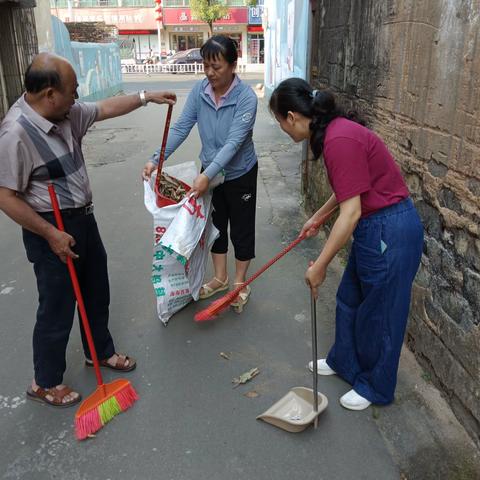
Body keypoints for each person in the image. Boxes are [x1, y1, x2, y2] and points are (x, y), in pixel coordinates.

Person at [0, 53, 176, 407]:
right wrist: (51, 235)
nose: (77, 98)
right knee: (58, 305)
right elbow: (6, 196)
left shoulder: (66, 113)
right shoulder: (15, 134)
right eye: (73, 91)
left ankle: (99, 352)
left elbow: (105, 108)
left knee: (96, 289)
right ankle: (44, 382)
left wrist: (145, 97)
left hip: (83, 219)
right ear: (50, 93)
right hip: (49, 227)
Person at [269, 78, 423, 411]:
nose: (284, 130)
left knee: (381, 313)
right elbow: (349, 189)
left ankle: (375, 387)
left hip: (389, 229)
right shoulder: (335, 134)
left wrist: (320, 265)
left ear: (293, 116)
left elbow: (350, 212)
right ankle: (345, 362)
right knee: (350, 297)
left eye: (281, 123)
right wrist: (319, 217)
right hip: (374, 227)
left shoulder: (339, 139)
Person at [143, 35, 258, 312]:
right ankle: (220, 278)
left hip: (240, 172)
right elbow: (182, 127)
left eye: (216, 67)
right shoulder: (200, 91)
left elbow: (233, 143)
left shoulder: (247, 98)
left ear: (233, 65)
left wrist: (209, 176)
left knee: (241, 229)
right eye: (206, 65)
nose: (210, 73)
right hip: (209, 170)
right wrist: (156, 160)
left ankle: (240, 283)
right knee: (215, 227)